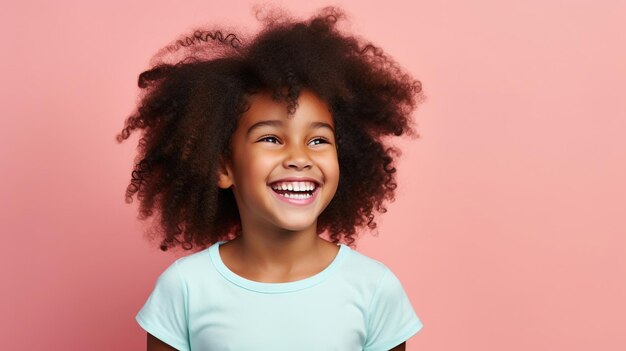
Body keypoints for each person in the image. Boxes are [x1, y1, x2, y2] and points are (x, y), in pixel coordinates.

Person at [117, 5, 425, 351]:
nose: (299, 158)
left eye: (318, 140)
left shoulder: (373, 288)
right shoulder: (186, 289)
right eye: (271, 139)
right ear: (223, 167)